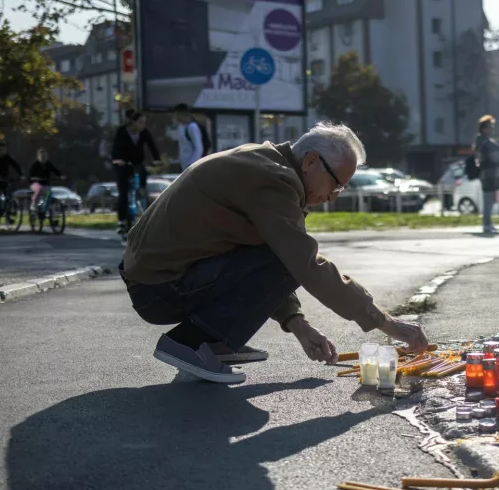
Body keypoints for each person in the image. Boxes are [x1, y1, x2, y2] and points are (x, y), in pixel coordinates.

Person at [119, 123, 430, 384]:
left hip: (158, 279)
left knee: (284, 255)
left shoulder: (266, 164)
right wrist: (388, 324)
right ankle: (189, 341)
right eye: (336, 185)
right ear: (310, 161)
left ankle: (213, 341)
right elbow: (304, 264)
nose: (333, 198)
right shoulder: (273, 181)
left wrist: (296, 322)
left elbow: (260, 253)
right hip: (160, 288)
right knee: (293, 258)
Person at [113, 110, 161, 233]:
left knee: (142, 183)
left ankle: (143, 202)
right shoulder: (122, 131)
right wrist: (117, 160)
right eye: (140, 122)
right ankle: (122, 222)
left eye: (144, 123)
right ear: (133, 122)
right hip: (123, 164)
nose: (143, 125)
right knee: (123, 192)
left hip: (137, 163)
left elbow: (152, 145)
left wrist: (157, 159)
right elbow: (116, 148)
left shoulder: (144, 132)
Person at [475, 115, 499, 235]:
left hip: (487, 173)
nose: (492, 130)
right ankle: (486, 224)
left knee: (490, 200)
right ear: (484, 129)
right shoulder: (485, 142)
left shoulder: (480, 141)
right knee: (488, 200)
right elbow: (495, 157)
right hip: (488, 174)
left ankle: (488, 223)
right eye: (490, 127)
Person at [0, 141, 23, 207]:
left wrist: (21, 174)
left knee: (7, 193)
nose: (1, 152)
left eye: (3, 150)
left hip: (4, 177)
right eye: (0, 149)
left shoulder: (7, 157)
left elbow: (15, 165)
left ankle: (8, 211)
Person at [173, 103, 204, 171]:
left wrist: (191, 164)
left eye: (176, 114)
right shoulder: (180, 127)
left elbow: (199, 148)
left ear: (181, 114)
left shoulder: (192, 127)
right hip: (184, 167)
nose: (175, 116)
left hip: (191, 167)